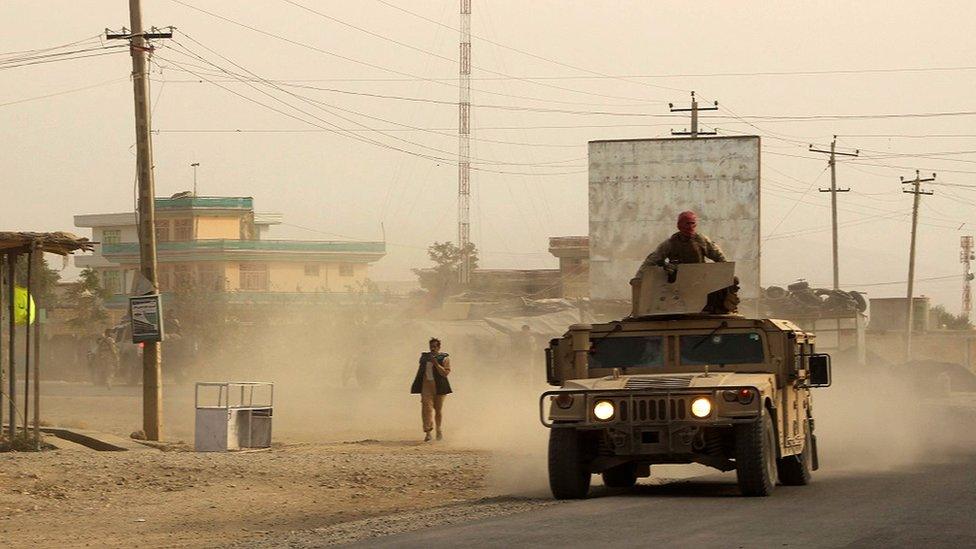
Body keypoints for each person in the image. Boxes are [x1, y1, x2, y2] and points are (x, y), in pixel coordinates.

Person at [634, 210, 738, 314]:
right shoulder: (670, 244)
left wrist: (728, 275)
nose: (690, 226)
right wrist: (638, 278)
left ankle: (717, 307)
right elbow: (651, 260)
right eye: (687, 223)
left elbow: (719, 256)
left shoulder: (701, 240)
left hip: (701, 279)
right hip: (678, 284)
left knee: (730, 281)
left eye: (693, 223)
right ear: (679, 226)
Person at [410, 337, 452, 442]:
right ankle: (428, 432)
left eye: (434, 347)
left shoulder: (445, 358)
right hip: (426, 386)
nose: (432, 349)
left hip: (440, 386)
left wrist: (436, 364)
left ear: (438, 347)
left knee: (438, 410)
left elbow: (445, 373)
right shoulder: (424, 358)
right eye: (431, 347)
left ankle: (438, 430)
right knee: (426, 408)